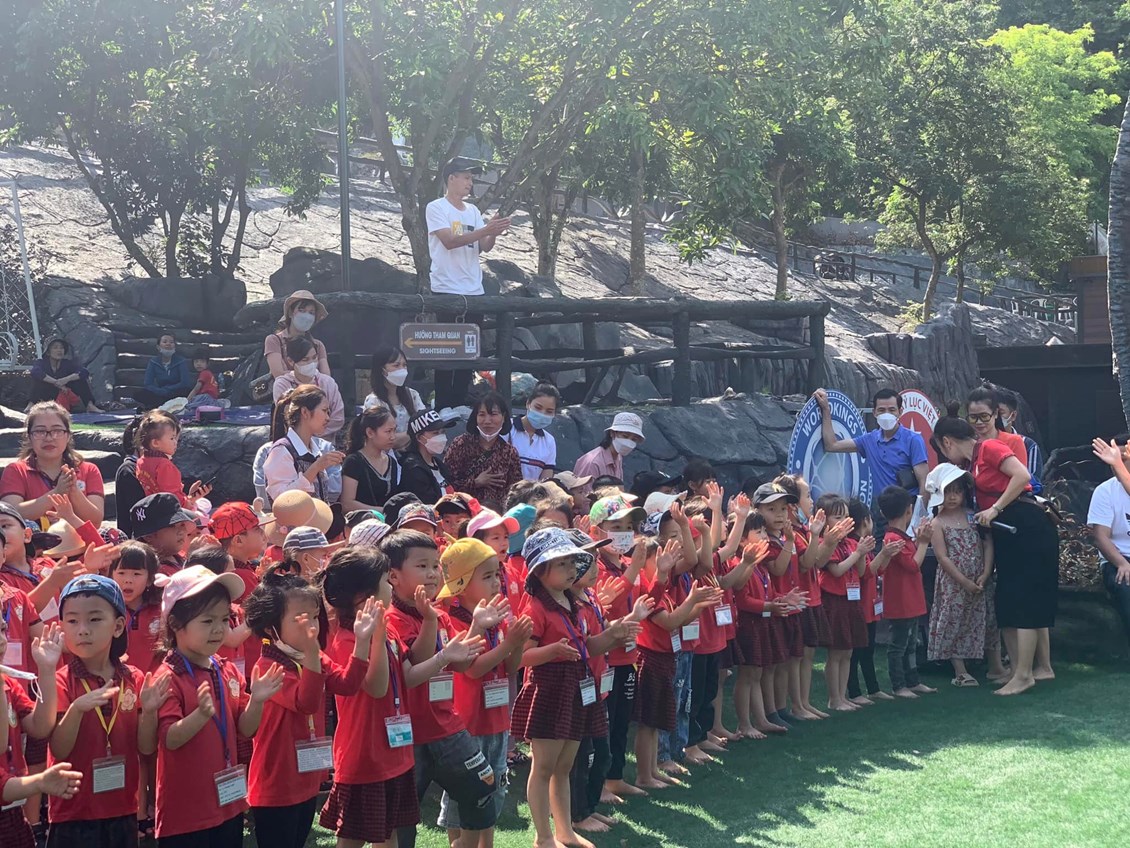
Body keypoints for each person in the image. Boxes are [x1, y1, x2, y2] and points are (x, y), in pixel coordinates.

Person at [152, 566, 285, 846]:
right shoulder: (168, 676)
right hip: (187, 815)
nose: (218, 629)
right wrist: (200, 715)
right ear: (175, 624)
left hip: (228, 805)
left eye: (224, 619)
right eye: (207, 620)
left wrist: (257, 701)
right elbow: (169, 739)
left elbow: (245, 729)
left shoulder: (226, 669)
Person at [379, 530, 495, 848]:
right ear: (393, 576)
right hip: (408, 735)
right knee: (402, 818)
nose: (432, 574)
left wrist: (477, 626)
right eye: (422, 566)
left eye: (435, 566)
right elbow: (416, 667)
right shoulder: (391, 620)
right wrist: (429, 622)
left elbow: (459, 665)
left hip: (446, 724)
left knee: (483, 785)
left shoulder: (440, 615)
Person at [243, 568, 374, 848]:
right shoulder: (268, 665)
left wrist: (362, 642)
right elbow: (306, 703)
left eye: (314, 616)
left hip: (306, 780)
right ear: (270, 627)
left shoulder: (311, 655)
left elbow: (348, 684)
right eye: (301, 619)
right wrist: (313, 653)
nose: (312, 626)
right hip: (276, 784)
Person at [932, 411, 1057, 696]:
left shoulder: (988, 447)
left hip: (1026, 526)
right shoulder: (972, 463)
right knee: (1008, 601)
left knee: (1024, 600)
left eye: (941, 448)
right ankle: (1016, 670)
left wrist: (995, 508)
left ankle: (1025, 674)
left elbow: (1022, 475)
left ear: (947, 442)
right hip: (1007, 533)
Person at [46, 574, 164, 848]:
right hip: (73, 811)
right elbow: (59, 750)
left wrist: (149, 712)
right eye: (72, 621)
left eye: (95, 619)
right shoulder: (61, 681)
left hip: (122, 807)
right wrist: (77, 708)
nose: (82, 630)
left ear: (118, 626)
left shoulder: (133, 678)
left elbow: (145, 747)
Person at [436, 538, 533, 847]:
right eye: (487, 576)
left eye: (497, 575)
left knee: (493, 789)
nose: (496, 583)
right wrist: (508, 644)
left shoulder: (497, 618)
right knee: (465, 794)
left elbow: (510, 667)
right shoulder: (453, 621)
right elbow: (473, 669)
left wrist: (517, 643)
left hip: (496, 721)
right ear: (462, 583)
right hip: (467, 725)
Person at [426, 158, 511, 410]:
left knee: (468, 349)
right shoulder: (436, 207)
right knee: (446, 351)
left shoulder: (473, 211)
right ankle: (443, 405)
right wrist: (486, 230)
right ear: (451, 178)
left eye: (471, 179)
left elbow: (484, 247)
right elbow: (449, 241)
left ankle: (460, 402)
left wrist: (493, 232)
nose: (470, 183)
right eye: (466, 177)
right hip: (446, 288)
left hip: (474, 289)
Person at [924, 464, 999, 687]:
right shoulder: (937, 523)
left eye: (957, 491)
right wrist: (964, 581)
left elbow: (987, 543)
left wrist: (986, 572)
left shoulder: (973, 516)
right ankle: (959, 670)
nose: (952, 497)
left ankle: (994, 665)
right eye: (947, 492)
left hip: (979, 578)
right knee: (953, 620)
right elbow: (942, 557)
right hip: (953, 583)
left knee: (986, 618)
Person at [813, 387, 929, 523]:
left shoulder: (913, 440)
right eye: (881, 410)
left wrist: (917, 518)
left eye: (892, 410)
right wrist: (826, 410)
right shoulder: (868, 440)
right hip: (880, 512)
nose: (887, 414)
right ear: (874, 412)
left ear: (900, 411)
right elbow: (832, 445)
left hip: (906, 511)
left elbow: (924, 482)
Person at [0, 616, 62, 848]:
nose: (1, 640)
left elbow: (40, 727)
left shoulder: (8, 683)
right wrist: (39, 782)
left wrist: (47, 670)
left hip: (12, 812)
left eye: (2, 629)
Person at [1, 401, 105, 525]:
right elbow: (10, 514)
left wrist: (74, 491)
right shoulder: (16, 471)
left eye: (57, 431)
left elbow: (96, 521)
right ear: (29, 437)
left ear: (68, 436)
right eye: (40, 431)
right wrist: (56, 492)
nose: (49, 438)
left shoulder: (89, 470)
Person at [878, 486, 937, 699]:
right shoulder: (893, 538)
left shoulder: (899, 536)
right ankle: (899, 684)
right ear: (909, 510)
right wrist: (923, 543)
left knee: (910, 642)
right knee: (899, 645)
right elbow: (913, 565)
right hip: (901, 601)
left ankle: (912, 681)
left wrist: (919, 541)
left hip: (910, 599)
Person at [263, 385, 345, 504]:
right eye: (324, 411)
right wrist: (316, 467)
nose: (328, 418)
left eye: (328, 412)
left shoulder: (315, 451)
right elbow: (282, 501)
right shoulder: (281, 450)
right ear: (305, 412)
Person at [444, 392, 522, 509]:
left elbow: (517, 491)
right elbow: (445, 484)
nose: (487, 421)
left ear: (504, 417)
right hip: (462, 512)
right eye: (482, 415)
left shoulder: (509, 452)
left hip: (496, 515)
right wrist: (475, 482)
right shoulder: (461, 444)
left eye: (493, 414)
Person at [1089, 435, 1130, 650]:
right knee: (1124, 586)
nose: (1117, 461)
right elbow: (1100, 537)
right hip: (1118, 558)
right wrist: (1122, 563)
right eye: (1114, 457)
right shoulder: (1105, 491)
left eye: (1122, 457)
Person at [133, 410, 212, 508]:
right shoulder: (165, 466)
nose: (175, 442)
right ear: (155, 443)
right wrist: (190, 501)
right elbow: (174, 500)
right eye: (172, 438)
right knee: (205, 507)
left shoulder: (141, 461)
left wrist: (191, 496)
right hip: (170, 513)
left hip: (150, 509)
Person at [272, 337, 346, 440]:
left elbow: (338, 418)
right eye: (305, 360)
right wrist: (305, 437)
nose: (311, 363)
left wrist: (316, 436)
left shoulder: (328, 383)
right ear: (290, 361)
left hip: (325, 443)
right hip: (295, 443)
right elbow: (285, 417)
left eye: (314, 358)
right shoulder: (282, 384)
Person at [364, 346, 427, 450]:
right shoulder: (373, 401)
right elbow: (381, 440)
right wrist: (414, 433)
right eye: (396, 365)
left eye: (404, 365)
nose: (402, 369)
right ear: (382, 370)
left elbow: (426, 428)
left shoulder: (413, 395)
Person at [341, 407, 401, 513]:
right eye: (388, 431)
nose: (393, 437)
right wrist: (383, 511)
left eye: (394, 430)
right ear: (370, 433)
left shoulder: (391, 462)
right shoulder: (354, 461)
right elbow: (347, 504)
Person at [264, 290, 330, 379]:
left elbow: (326, 377)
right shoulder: (274, 340)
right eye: (301, 310)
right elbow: (278, 374)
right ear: (290, 313)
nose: (306, 316)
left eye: (311, 313)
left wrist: (289, 373)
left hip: (314, 388)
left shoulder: (318, 345)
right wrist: (313, 375)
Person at [573, 413, 646, 493]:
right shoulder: (593, 462)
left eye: (634, 439)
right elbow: (583, 496)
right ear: (612, 433)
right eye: (625, 436)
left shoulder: (618, 457)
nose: (628, 442)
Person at [398, 410, 458, 505]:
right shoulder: (413, 469)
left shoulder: (438, 464)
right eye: (435, 433)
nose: (441, 437)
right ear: (419, 437)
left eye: (442, 432)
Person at [29, 337, 102, 413]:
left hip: (64, 395)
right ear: (48, 352)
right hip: (47, 396)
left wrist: (66, 379)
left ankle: (90, 405)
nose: (59, 350)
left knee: (80, 380)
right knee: (37, 380)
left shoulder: (68, 364)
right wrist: (56, 382)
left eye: (61, 348)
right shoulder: (41, 363)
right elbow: (35, 372)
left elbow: (84, 372)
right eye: (55, 348)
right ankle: (30, 405)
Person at [506, 383, 561, 482]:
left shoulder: (549, 441)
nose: (542, 414)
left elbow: (546, 481)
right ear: (528, 404)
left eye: (549, 411)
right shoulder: (507, 428)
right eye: (538, 408)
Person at [996, 389, 1044, 494]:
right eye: (992, 413)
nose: (996, 417)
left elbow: (1032, 484)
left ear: (1013, 415)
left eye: (1000, 413)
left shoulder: (1028, 445)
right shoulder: (979, 443)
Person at [136, 333, 195, 410]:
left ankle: (158, 406)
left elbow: (185, 383)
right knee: (139, 394)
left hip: (176, 392)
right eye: (164, 342)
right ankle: (162, 405)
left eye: (171, 342)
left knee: (185, 391)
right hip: (160, 393)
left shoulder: (181, 361)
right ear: (158, 347)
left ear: (175, 346)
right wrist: (160, 391)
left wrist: (168, 389)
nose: (168, 344)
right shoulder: (153, 362)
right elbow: (148, 383)